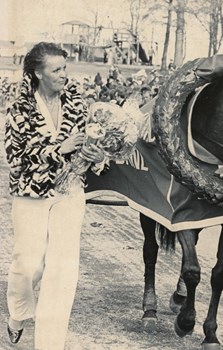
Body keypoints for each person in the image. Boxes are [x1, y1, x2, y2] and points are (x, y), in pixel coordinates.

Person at [4, 42, 106, 349]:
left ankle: (49, 343)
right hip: (31, 194)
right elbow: (15, 156)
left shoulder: (77, 104)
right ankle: (19, 313)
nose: (64, 74)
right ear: (37, 73)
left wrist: (95, 154)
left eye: (65, 68)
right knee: (28, 264)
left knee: (62, 269)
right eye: (56, 69)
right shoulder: (20, 108)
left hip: (69, 192)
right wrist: (57, 149)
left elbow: (92, 146)